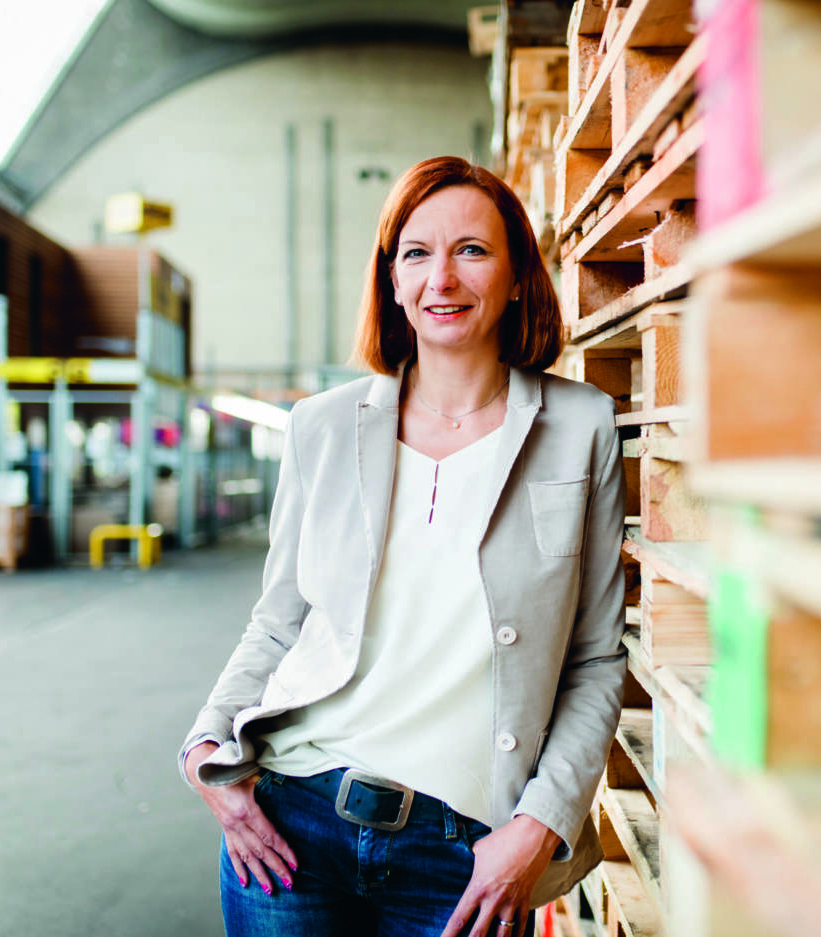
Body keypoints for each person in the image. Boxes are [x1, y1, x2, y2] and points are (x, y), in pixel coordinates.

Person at [181, 155, 627, 937]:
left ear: (519, 272)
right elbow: (281, 621)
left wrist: (539, 824)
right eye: (416, 253)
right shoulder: (322, 426)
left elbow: (594, 658)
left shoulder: (579, 427)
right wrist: (206, 745)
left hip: (465, 857)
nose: (442, 278)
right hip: (294, 825)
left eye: (472, 250)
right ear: (391, 280)